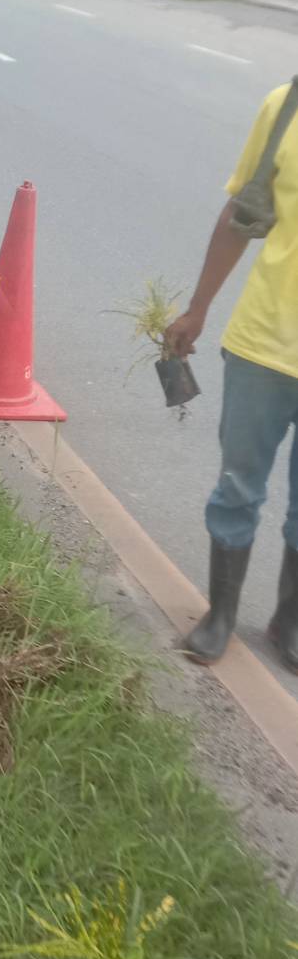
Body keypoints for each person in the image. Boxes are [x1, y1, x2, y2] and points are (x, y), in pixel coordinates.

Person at [169, 82, 298, 670]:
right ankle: (220, 614)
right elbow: (239, 215)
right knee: (239, 485)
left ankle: (288, 620)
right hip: (264, 344)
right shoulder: (286, 106)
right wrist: (197, 308)